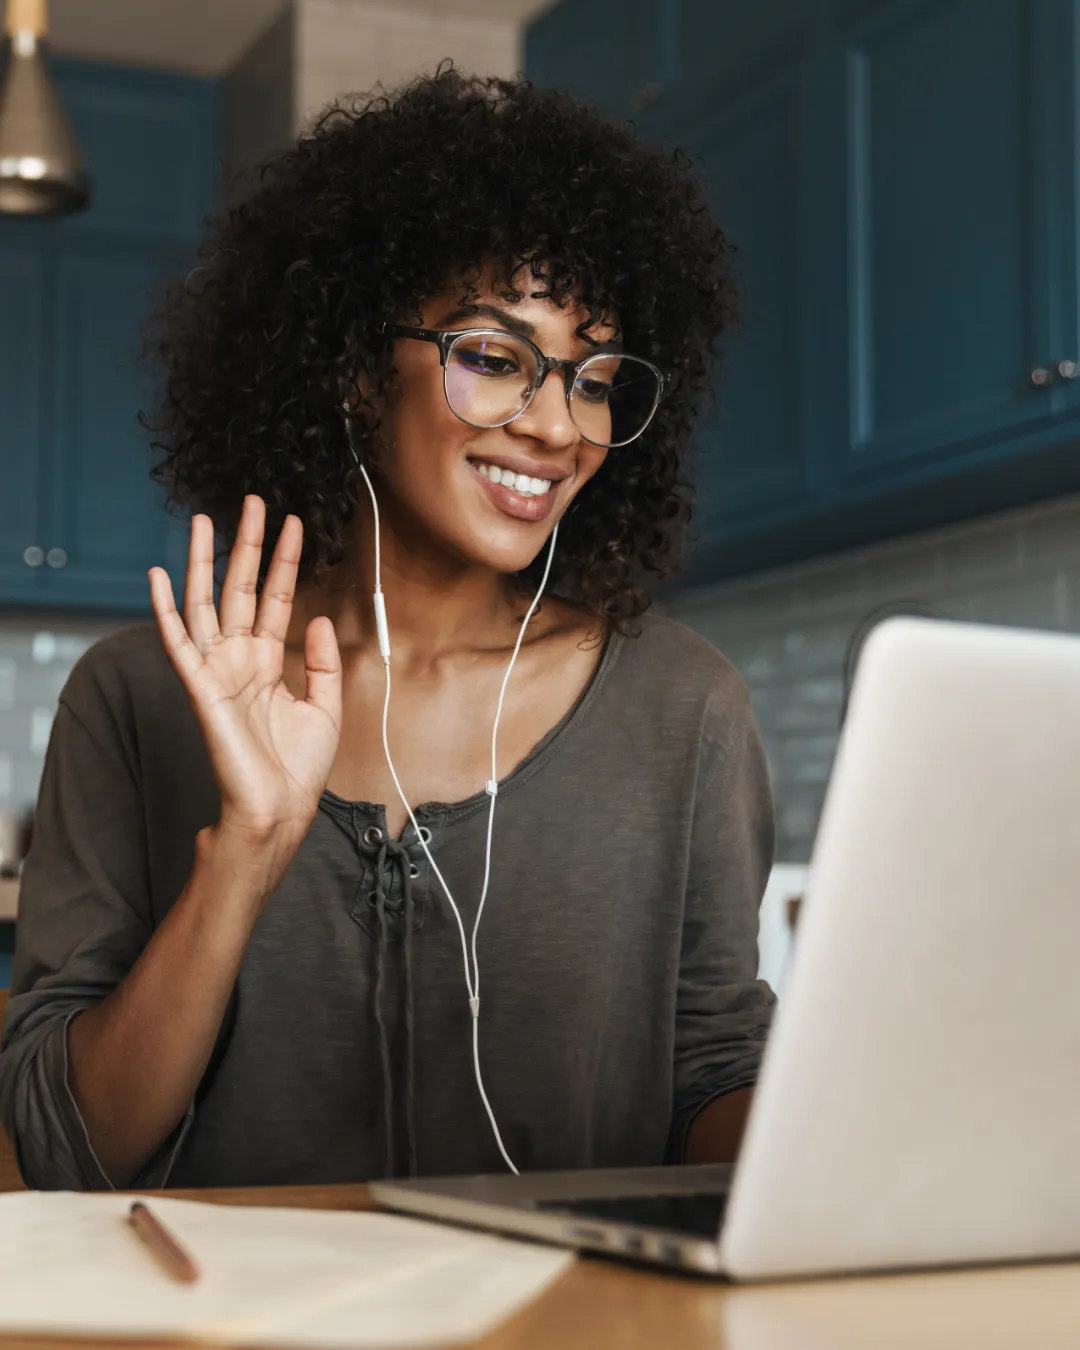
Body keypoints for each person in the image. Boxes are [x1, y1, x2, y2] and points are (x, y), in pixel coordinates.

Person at [0, 67, 776, 1190]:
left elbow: (713, 1074)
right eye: (496, 359)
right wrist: (246, 859)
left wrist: (855, 1151)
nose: (559, 426)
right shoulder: (138, 697)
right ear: (360, 372)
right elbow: (65, 1154)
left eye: (597, 379)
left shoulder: (681, 706)